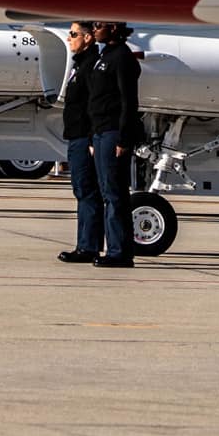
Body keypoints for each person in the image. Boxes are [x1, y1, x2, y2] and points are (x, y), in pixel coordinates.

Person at [87, 21, 143, 267]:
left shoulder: (122, 57)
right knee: (106, 191)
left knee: (115, 193)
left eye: (99, 25)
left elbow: (128, 101)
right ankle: (113, 248)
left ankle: (120, 252)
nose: (94, 29)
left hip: (113, 132)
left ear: (113, 28)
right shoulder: (104, 56)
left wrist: (124, 138)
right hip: (100, 132)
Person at [57, 22, 102, 264]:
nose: (69, 38)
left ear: (87, 38)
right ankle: (84, 244)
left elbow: (94, 104)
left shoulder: (91, 65)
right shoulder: (80, 64)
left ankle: (89, 246)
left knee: (87, 191)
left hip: (85, 138)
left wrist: (92, 137)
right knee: (81, 190)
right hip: (76, 136)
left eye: (73, 34)